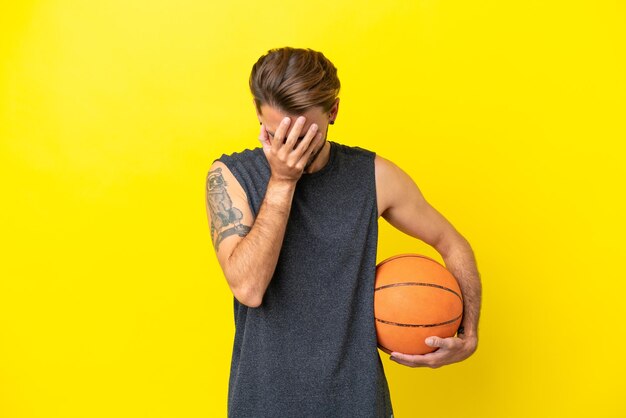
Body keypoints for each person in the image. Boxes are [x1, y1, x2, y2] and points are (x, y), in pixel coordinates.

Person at [206, 46, 482, 418]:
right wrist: (283, 182)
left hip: (358, 404)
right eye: (277, 134)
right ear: (258, 113)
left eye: (303, 136)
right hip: (263, 405)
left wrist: (467, 333)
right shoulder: (230, 177)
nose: (291, 149)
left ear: (333, 111)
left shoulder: (374, 176)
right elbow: (248, 288)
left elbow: (452, 243)